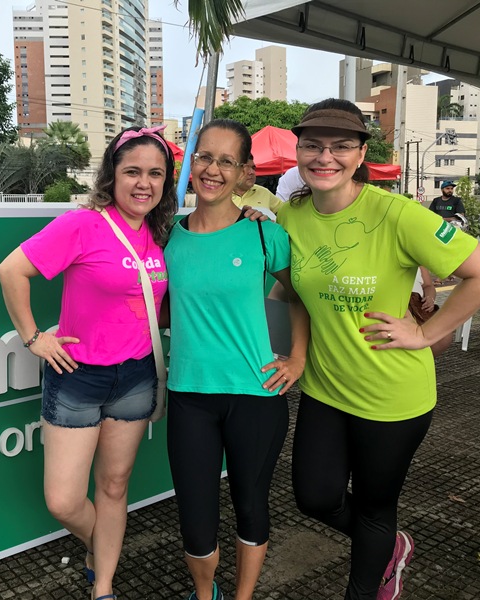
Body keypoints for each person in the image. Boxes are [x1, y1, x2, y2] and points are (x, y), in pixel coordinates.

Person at [276, 98, 480, 600]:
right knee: (314, 498)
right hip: (325, 388)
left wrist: (424, 333)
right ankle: (390, 547)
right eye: (312, 145)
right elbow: (291, 292)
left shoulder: (396, 213)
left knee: (376, 508)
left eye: (341, 146)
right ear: (298, 151)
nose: (324, 157)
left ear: (361, 154)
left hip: (393, 398)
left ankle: (373, 573)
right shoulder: (289, 217)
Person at [0, 125, 177, 600]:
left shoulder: (162, 234)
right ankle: (102, 550)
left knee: (114, 487)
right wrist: (34, 337)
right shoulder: (83, 224)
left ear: (166, 181)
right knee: (63, 500)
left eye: (155, 174)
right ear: (111, 175)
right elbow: (11, 270)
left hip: (137, 376)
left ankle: (105, 586)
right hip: (77, 376)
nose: (144, 183)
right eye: (133, 171)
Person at [164, 119, 310, 600]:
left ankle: (243, 597)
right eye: (204, 156)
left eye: (227, 160)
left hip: (256, 394)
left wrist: (296, 358)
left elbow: (298, 297)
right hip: (190, 395)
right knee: (196, 515)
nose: (212, 169)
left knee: (250, 503)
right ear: (191, 161)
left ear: (245, 171)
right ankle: (206, 595)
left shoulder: (264, 236)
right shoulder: (169, 237)